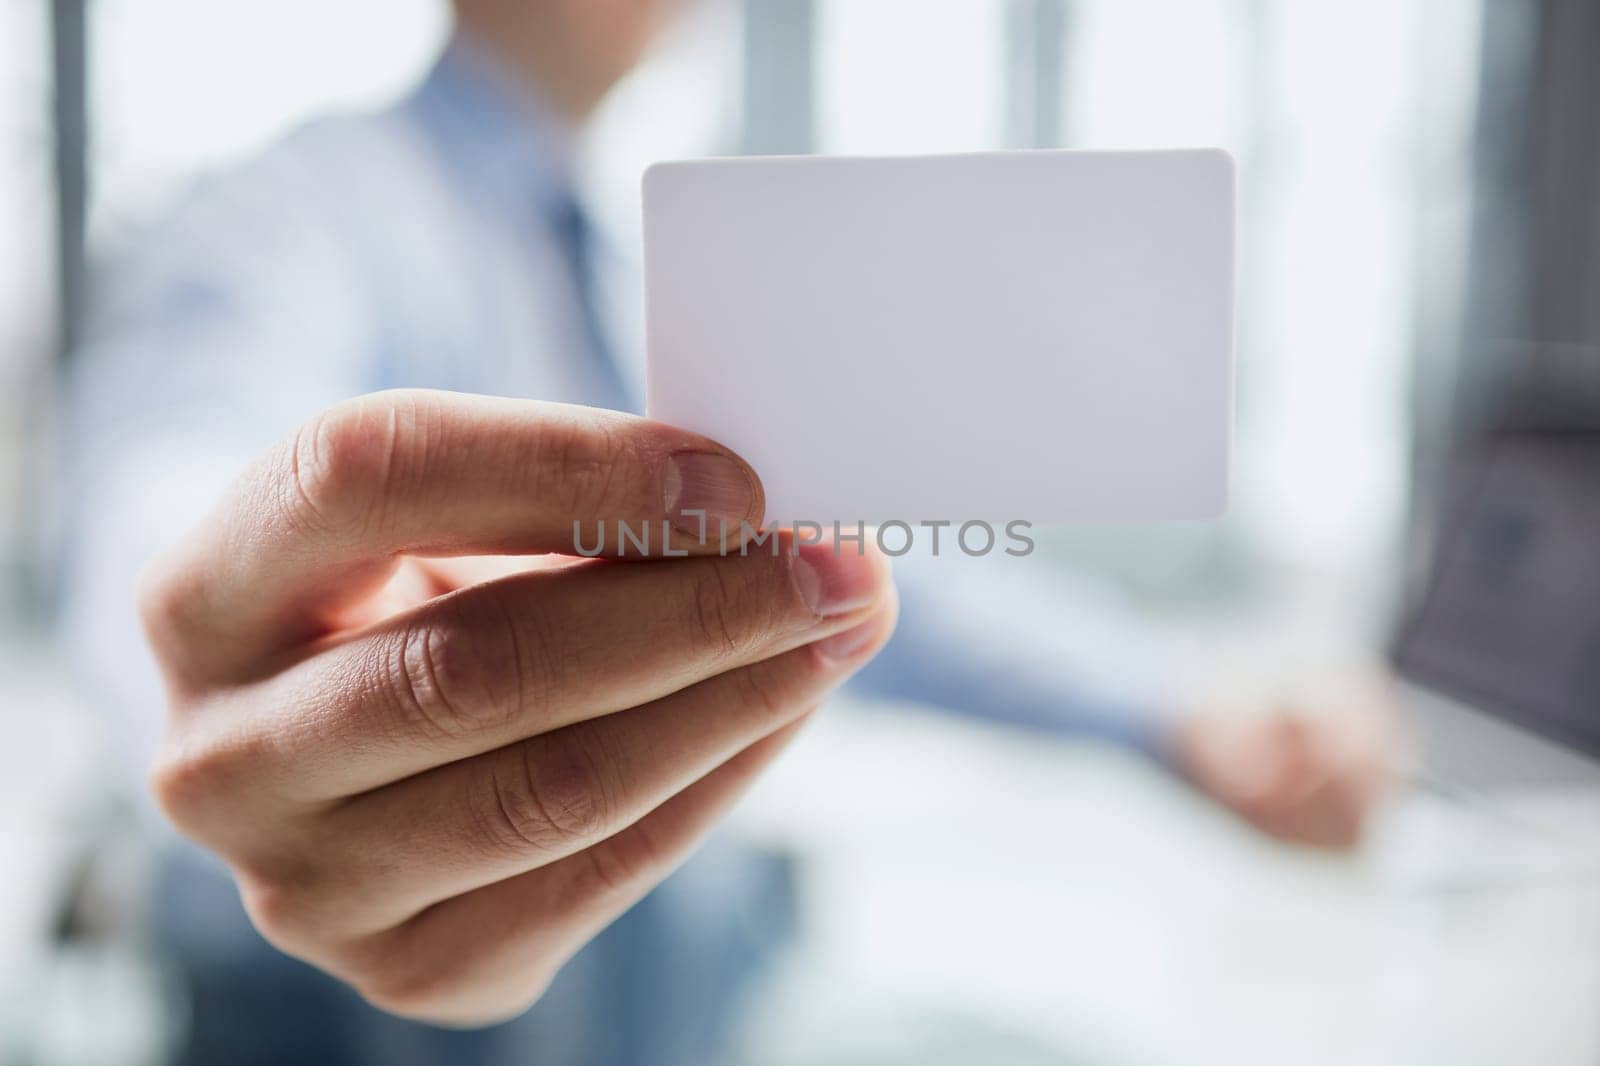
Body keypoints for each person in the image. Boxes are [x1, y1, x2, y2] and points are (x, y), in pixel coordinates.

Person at [55, 2, 1398, 1063]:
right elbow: (169, 493)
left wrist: (1177, 709)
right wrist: (202, 659)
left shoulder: (636, 275)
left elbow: (853, 568)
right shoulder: (294, 213)